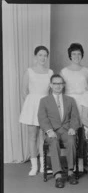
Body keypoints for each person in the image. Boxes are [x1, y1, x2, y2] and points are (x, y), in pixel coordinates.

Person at [38, 74, 80, 188]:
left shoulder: (70, 100)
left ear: (63, 85)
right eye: (55, 83)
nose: (58, 86)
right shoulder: (44, 100)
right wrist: (48, 130)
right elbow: (42, 118)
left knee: (71, 140)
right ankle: (58, 175)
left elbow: (75, 117)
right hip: (52, 131)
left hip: (66, 130)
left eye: (60, 83)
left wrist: (73, 128)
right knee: (54, 141)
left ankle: (71, 171)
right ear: (51, 85)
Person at [19, 46, 54, 176]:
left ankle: (43, 166)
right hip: (32, 105)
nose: (43, 58)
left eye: (45, 55)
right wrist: (30, 105)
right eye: (40, 55)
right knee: (32, 136)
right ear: (35, 57)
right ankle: (34, 166)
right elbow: (24, 91)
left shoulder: (50, 72)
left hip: (45, 105)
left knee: (43, 137)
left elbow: (51, 92)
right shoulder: (29, 71)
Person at [60, 43, 88, 172]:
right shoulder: (64, 71)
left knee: (82, 133)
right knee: (71, 132)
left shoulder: (86, 71)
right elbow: (60, 89)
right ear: (70, 55)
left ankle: (81, 162)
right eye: (73, 54)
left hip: (83, 102)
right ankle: (71, 163)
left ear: (82, 55)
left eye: (79, 53)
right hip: (69, 103)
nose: (76, 56)